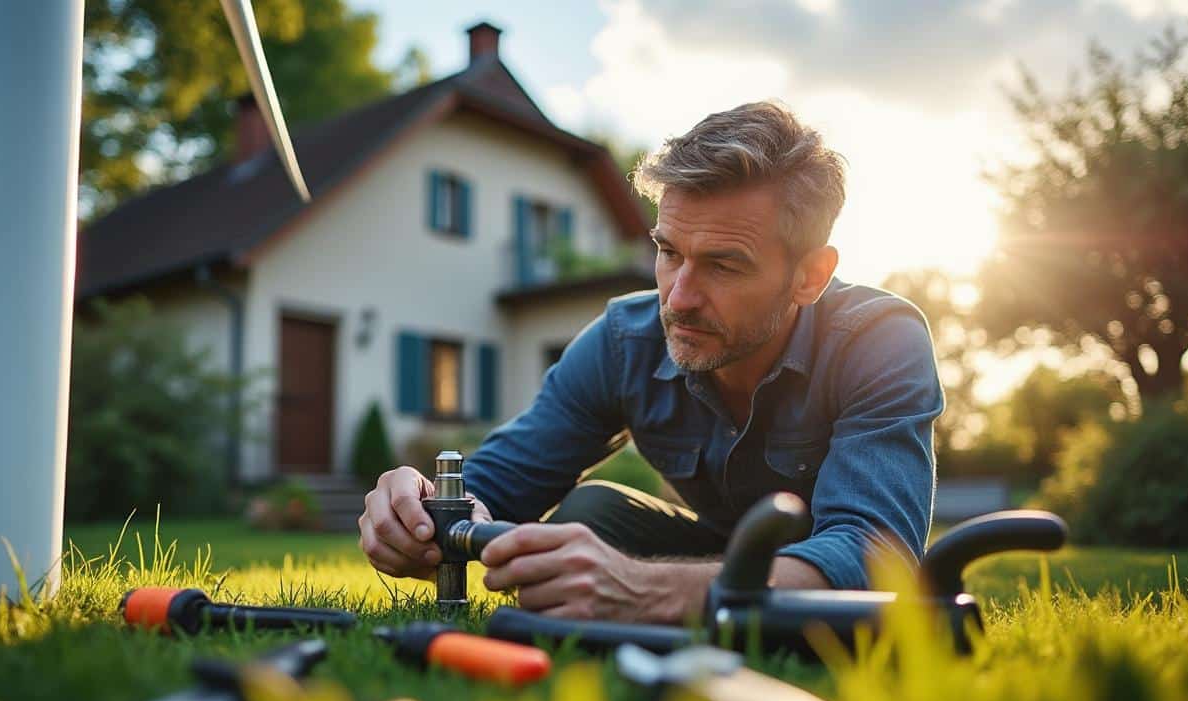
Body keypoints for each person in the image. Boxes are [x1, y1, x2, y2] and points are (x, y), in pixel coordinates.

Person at [359, 101, 944, 624]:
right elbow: (497, 489)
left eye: (725, 265)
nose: (679, 297)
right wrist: (422, 514)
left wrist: (646, 591)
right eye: (668, 252)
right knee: (590, 514)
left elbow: (874, 551)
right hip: (708, 556)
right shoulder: (622, 342)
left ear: (810, 276)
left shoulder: (878, 340)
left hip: (815, 573)